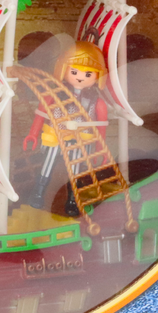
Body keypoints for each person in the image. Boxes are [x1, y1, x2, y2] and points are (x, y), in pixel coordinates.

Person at [23, 40, 108, 215]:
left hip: (80, 138)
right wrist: (33, 133)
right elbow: (41, 113)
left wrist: (100, 146)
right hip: (57, 134)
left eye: (88, 74)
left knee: (75, 169)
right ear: (63, 69)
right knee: (48, 163)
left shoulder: (96, 101)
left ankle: (72, 199)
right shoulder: (54, 95)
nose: (80, 77)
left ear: (98, 75)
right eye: (74, 71)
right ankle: (38, 193)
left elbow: (101, 125)